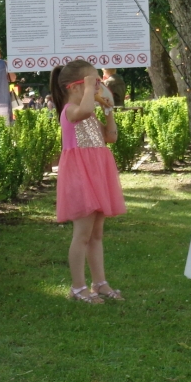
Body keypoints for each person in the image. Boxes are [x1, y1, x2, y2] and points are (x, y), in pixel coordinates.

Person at [51, 59, 126, 304]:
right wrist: (92, 95)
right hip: (81, 177)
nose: (98, 88)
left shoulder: (91, 115)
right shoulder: (70, 111)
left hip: (97, 175)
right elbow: (82, 111)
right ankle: (77, 287)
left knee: (96, 234)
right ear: (74, 87)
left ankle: (99, 283)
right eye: (93, 83)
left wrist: (108, 111)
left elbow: (111, 137)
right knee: (82, 234)